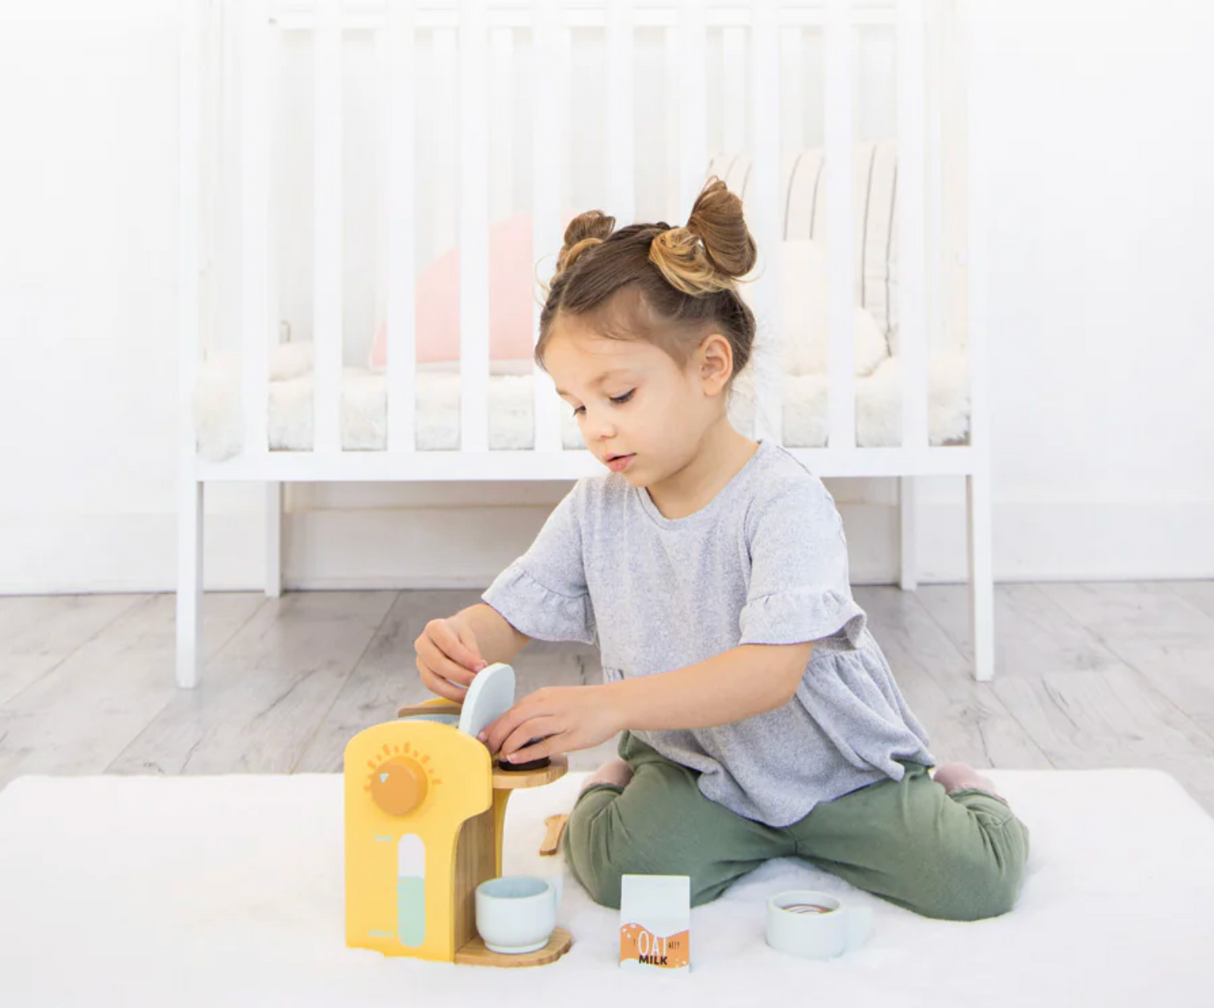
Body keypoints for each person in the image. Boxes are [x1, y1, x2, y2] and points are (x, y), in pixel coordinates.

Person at [413, 177, 1030, 922]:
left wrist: (606, 704)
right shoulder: (596, 508)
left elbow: (770, 673)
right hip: (697, 766)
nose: (596, 427)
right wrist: (460, 640)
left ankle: (963, 794)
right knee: (620, 873)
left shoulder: (784, 501)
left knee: (973, 882)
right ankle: (619, 781)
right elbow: (509, 614)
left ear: (711, 367)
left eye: (619, 396)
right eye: (577, 405)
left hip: (833, 770)